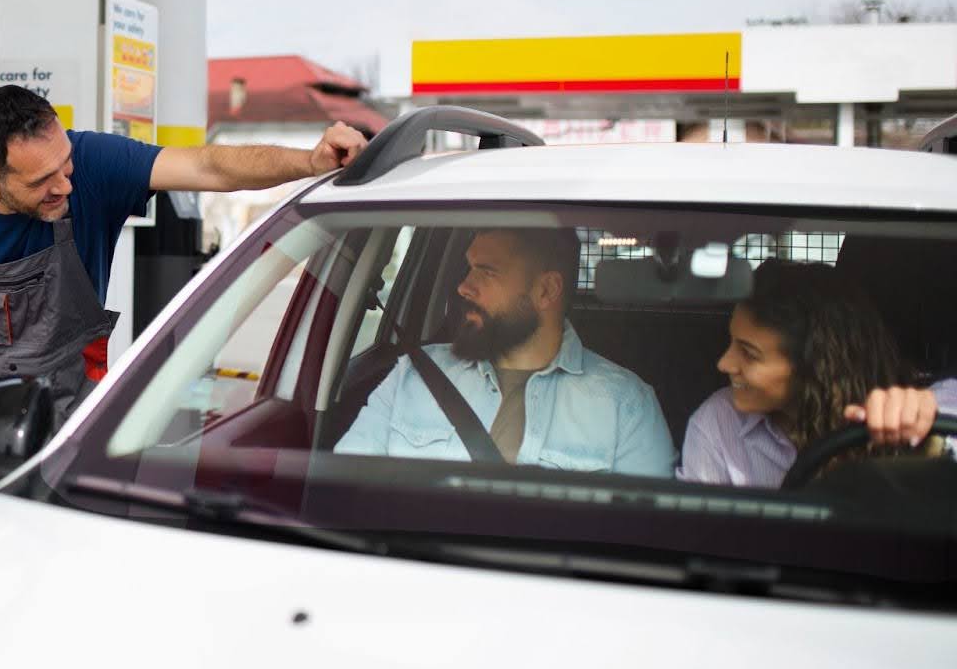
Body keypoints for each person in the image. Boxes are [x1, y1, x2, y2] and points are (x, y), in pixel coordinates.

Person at [0, 84, 368, 529]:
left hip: (76, 423)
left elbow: (208, 166)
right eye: (42, 181)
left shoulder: (91, 163)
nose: (66, 183)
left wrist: (309, 159)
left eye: (66, 165)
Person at [336, 228, 677, 476]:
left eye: (487, 272)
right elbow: (344, 489)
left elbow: (647, 538)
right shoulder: (414, 374)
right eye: (469, 268)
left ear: (546, 290)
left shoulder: (626, 406)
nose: (463, 286)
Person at [679, 259, 954, 488]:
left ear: (815, 365)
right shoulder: (718, 423)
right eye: (731, 342)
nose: (724, 364)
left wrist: (925, 432)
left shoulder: (930, 399)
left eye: (749, 354)